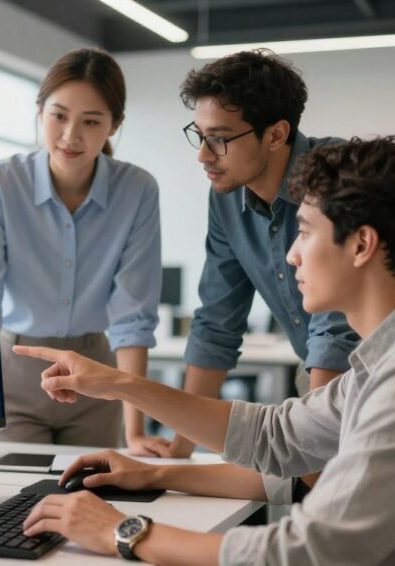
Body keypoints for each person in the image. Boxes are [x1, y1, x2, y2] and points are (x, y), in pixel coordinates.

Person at [14, 136, 395, 566]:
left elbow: (299, 560)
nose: (290, 254)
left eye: (305, 231)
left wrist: (123, 530)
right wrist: (125, 400)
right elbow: (277, 437)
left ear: (361, 245)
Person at [0, 48, 168, 466]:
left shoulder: (137, 190)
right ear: (40, 111)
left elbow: (133, 318)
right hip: (16, 372)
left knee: (90, 498)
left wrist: (134, 430)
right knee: (14, 507)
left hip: (95, 374)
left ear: (114, 125)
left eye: (91, 121)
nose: (70, 136)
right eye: (59, 116)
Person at [152, 49, 360, 460]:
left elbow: (336, 328)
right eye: (199, 134)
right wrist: (181, 447)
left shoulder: (339, 173)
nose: (203, 155)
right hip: (315, 382)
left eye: (220, 138)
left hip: (379, 384)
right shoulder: (226, 198)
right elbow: (216, 322)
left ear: (276, 134)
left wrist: (314, 445)